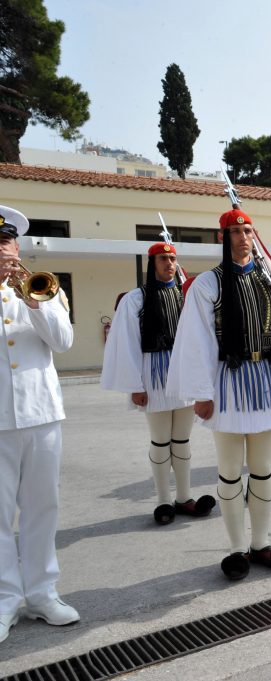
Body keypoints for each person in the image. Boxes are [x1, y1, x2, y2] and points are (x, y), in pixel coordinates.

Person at [167, 208, 271, 580]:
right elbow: (196, 341)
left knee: (262, 471)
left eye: (248, 231)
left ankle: (261, 542)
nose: (243, 237)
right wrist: (201, 392)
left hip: (265, 379)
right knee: (230, 472)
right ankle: (236, 548)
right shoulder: (206, 285)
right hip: (227, 382)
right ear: (223, 238)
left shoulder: (268, 279)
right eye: (236, 231)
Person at [1, 205, 79, 643]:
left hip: (41, 413)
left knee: (42, 507)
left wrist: (35, 303)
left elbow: (64, 342)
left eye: (7, 243)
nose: (4, 251)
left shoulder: (42, 288)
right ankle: (5, 598)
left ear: (18, 246)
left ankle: (43, 591)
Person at [101, 241, 216, 525]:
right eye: (164, 259)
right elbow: (126, 344)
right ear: (152, 263)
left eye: (173, 259)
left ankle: (184, 497)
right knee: (161, 440)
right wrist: (134, 385)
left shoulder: (187, 296)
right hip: (153, 375)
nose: (169, 264)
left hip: (183, 373)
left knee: (182, 440)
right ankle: (163, 499)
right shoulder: (135, 299)